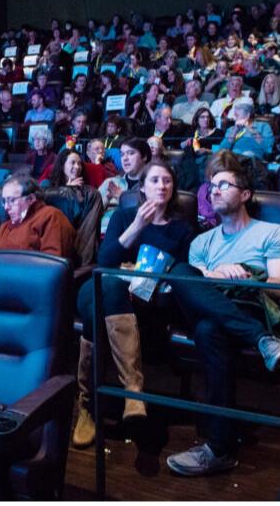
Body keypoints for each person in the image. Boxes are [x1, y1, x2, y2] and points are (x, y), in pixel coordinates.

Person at [165, 159, 280, 476]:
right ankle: (262, 339)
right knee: (180, 271)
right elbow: (192, 283)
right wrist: (213, 274)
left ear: (246, 194)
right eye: (212, 187)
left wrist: (247, 277)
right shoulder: (200, 242)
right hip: (207, 303)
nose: (215, 191)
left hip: (246, 302)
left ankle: (220, 449)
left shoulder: (271, 232)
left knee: (210, 329)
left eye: (224, 185)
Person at [72, 162, 194, 448]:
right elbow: (105, 261)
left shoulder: (182, 229)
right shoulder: (124, 216)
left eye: (167, 180)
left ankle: (87, 406)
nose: (161, 186)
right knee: (109, 285)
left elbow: (182, 273)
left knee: (99, 306)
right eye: (154, 180)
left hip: (146, 300)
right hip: (101, 287)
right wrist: (138, 225)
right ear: (142, 187)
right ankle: (132, 391)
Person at [0, 175, 75, 268]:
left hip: (29, 286)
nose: (6, 207)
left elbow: (53, 263)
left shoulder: (51, 216)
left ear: (31, 199)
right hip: (3, 280)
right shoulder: (8, 225)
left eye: (11, 200)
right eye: (4, 201)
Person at [43, 150, 105, 270]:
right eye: (72, 163)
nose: (77, 167)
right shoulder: (47, 185)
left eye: (79, 163)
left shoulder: (87, 193)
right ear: (62, 165)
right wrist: (67, 189)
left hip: (78, 240)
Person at [98, 138, 152, 233]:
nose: (125, 158)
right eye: (122, 154)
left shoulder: (153, 185)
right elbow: (91, 214)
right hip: (105, 233)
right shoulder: (111, 182)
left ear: (144, 157)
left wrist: (122, 198)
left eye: (131, 153)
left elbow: (150, 217)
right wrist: (105, 200)